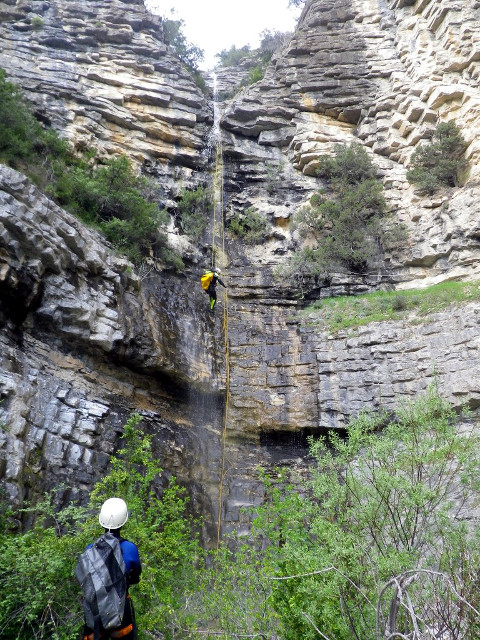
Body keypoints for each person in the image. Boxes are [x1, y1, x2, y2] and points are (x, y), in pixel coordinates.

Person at [81, 498, 142, 640]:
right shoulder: (129, 548)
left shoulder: (91, 548)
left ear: (102, 520)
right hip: (120, 609)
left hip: (95, 611)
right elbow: (136, 576)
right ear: (123, 521)